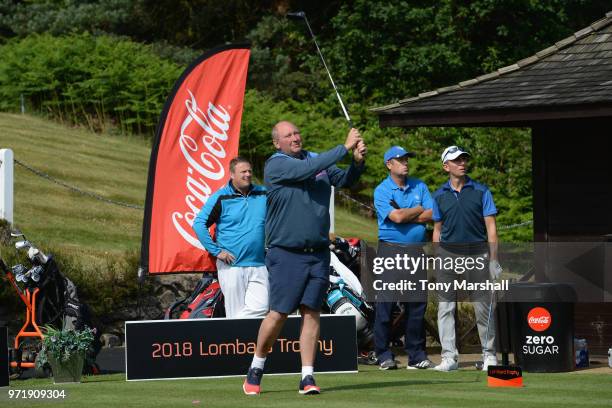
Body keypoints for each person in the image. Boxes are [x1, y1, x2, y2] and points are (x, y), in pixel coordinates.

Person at [243, 121, 366, 396]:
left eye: (297, 132)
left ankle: (307, 377)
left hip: (318, 253)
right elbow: (307, 170)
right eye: (288, 135)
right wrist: (344, 146)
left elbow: (344, 180)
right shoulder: (276, 165)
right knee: (278, 314)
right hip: (286, 253)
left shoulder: (315, 159)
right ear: (277, 143)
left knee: (312, 313)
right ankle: (256, 366)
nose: (295, 138)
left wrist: (356, 162)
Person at [431, 146, 503, 372]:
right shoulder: (439, 195)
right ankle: (449, 358)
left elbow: (491, 228)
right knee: (445, 307)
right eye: (456, 160)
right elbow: (437, 230)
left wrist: (493, 260)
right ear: (446, 166)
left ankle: (489, 355)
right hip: (448, 256)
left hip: (477, 256)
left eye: (464, 159)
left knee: (483, 307)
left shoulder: (481, 191)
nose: (462, 163)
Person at [373, 146, 434, 370]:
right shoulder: (382, 190)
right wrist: (418, 209)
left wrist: (408, 214)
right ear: (389, 164)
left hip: (416, 251)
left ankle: (416, 355)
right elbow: (396, 217)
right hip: (390, 250)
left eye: (407, 159)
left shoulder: (420, 185)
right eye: (400, 159)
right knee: (386, 303)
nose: (405, 163)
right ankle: (382, 353)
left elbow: (433, 213)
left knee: (417, 304)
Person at [192, 156, 268, 318]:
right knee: (235, 313)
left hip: (258, 263)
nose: (248, 174)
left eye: (250, 171)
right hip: (232, 265)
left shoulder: (263, 193)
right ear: (232, 174)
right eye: (243, 172)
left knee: (263, 307)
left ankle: (236, 335)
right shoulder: (221, 197)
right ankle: (241, 341)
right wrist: (217, 252)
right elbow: (199, 224)